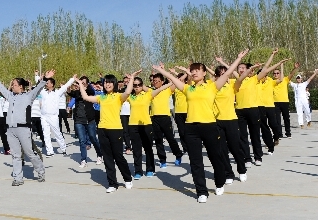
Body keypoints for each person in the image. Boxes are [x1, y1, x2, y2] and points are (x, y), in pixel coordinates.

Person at [153, 49, 247, 203]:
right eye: (192, 70)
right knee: (195, 162)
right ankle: (201, 192)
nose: (194, 72)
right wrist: (162, 71)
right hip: (191, 128)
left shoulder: (212, 86)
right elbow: (173, 79)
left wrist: (238, 58)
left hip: (209, 126)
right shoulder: (187, 88)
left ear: (204, 73)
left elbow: (228, 72)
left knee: (215, 157)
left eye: (198, 70)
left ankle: (219, 182)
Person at [79, 71, 139, 192]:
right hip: (102, 130)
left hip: (116, 130)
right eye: (106, 82)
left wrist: (132, 78)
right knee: (107, 158)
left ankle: (127, 179)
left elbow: (127, 92)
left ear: (114, 84)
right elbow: (85, 97)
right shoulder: (101, 97)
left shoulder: (118, 96)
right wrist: (80, 84)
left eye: (110, 82)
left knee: (118, 157)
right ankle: (112, 184)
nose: (108, 84)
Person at [0, 71, 51, 186]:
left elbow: (38, 88)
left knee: (30, 153)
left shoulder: (29, 96)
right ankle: (18, 178)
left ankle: (41, 171)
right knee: (15, 155)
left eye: (14, 84)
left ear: (20, 86)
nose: (12, 86)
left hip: (24, 129)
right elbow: (3, 90)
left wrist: (45, 79)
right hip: (11, 129)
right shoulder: (10, 96)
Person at [66, 76, 103, 167]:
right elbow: (70, 92)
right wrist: (69, 85)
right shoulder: (77, 92)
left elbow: (87, 94)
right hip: (79, 119)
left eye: (83, 83)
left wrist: (81, 86)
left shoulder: (90, 91)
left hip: (89, 119)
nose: (81, 84)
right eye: (80, 82)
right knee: (82, 141)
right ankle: (83, 160)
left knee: (93, 138)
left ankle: (99, 155)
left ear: (87, 84)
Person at [150, 73, 183, 168]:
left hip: (165, 118)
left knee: (170, 139)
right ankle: (162, 160)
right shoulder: (151, 91)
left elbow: (177, 81)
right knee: (158, 140)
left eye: (157, 81)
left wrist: (164, 71)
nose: (155, 83)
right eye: (154, 81)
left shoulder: (168, 90)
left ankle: (178, 154)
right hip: (154, 118)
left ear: (162, 82)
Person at [38, 72, 75, 157]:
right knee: (46, 134)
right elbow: (39, 85)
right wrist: (39, 77)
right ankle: (49, 151)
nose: (46, 84)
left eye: (48, 83)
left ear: (52, 84)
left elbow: (65, 86)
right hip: (44, 116)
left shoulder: (58, 92)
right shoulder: (43, 92)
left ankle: (63, 148)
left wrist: (72, 79)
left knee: (57, 133)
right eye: (46, 82)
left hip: (53, 116)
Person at [273, 62, 298, 138]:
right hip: (275, 102)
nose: (276, 74)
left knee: (286, 118)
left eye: (277, 73)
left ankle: (288, 132)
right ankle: (279, 134)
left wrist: (295, 68)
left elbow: (291, 74)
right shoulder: (272, 81)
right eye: (274, 73)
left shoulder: (285, 79)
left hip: (284, 102)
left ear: (280, 74)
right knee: (277, 119)